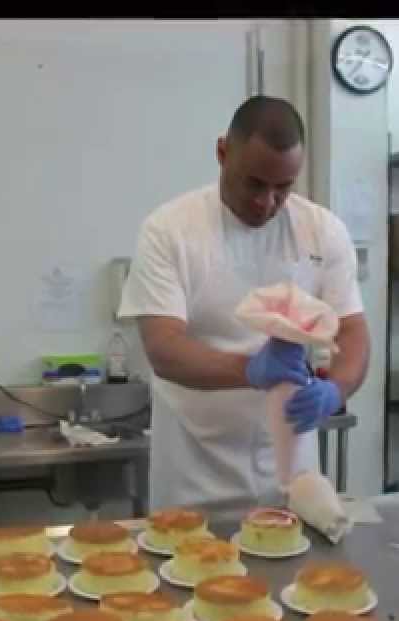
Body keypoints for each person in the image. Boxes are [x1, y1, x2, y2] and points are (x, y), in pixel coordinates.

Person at [117, 96, 370, 515]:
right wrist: (250, 371)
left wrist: (336, 389)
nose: (266, 203)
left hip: (292, 477)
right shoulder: (169, 230)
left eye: (283, 188)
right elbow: (164, 349)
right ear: (222, 152)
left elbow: (353, 330)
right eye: (254, 183)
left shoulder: (322, 231)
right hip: (193, 479)